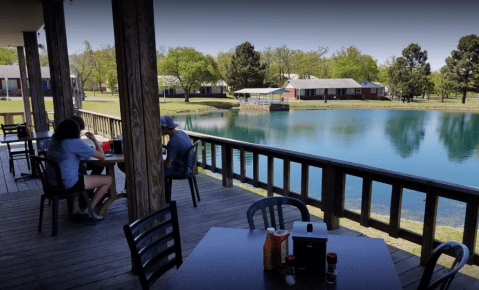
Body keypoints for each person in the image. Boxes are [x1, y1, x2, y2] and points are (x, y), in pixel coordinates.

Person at [46, 118, 113, 220]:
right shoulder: (74, 142)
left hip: (51, 183)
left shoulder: (54, 139)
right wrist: (94, 140)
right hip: (67, 184)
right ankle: (88, 211)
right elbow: (101, 156)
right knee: (108, 179)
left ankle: (75, 209)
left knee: (77, 173)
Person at [161, 115, 193, 201]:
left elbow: (167, 165)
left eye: (160, 128)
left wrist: (157, 164)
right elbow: (178, 148)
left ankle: (163, 199)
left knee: (153, 171)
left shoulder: (173, 142)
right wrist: (165, 147)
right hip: (188, 167)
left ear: (165, 128)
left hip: (181, 170)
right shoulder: (181, 133)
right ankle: (165, 197)